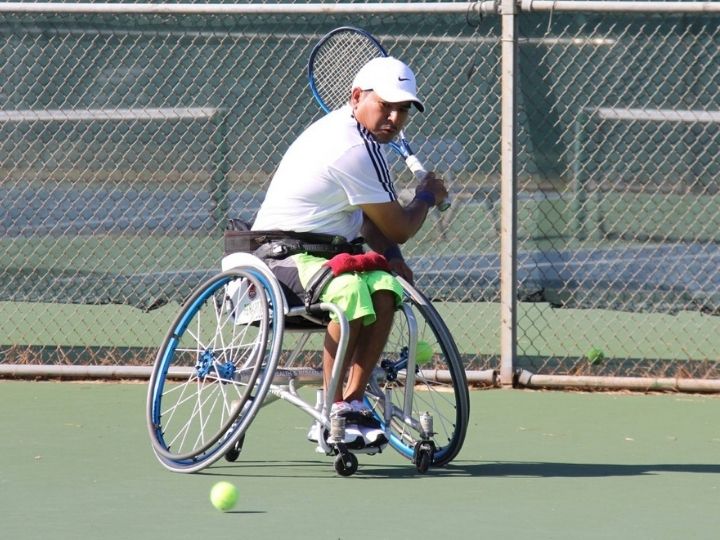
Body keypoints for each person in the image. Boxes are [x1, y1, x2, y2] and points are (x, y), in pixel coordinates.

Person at [251, 56, 448, 448]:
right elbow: (400, 227)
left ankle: (353, 404)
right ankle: (333, 408)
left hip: (327, 257)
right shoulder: (355, 149)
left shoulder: (362, 140)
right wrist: (426, 195)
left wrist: (394, 261)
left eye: (403, 109)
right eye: (385, 105)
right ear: (357, 97)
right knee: (350, 292)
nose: (394, 116)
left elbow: (373, 221)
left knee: (385, 288)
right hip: (278, 260)